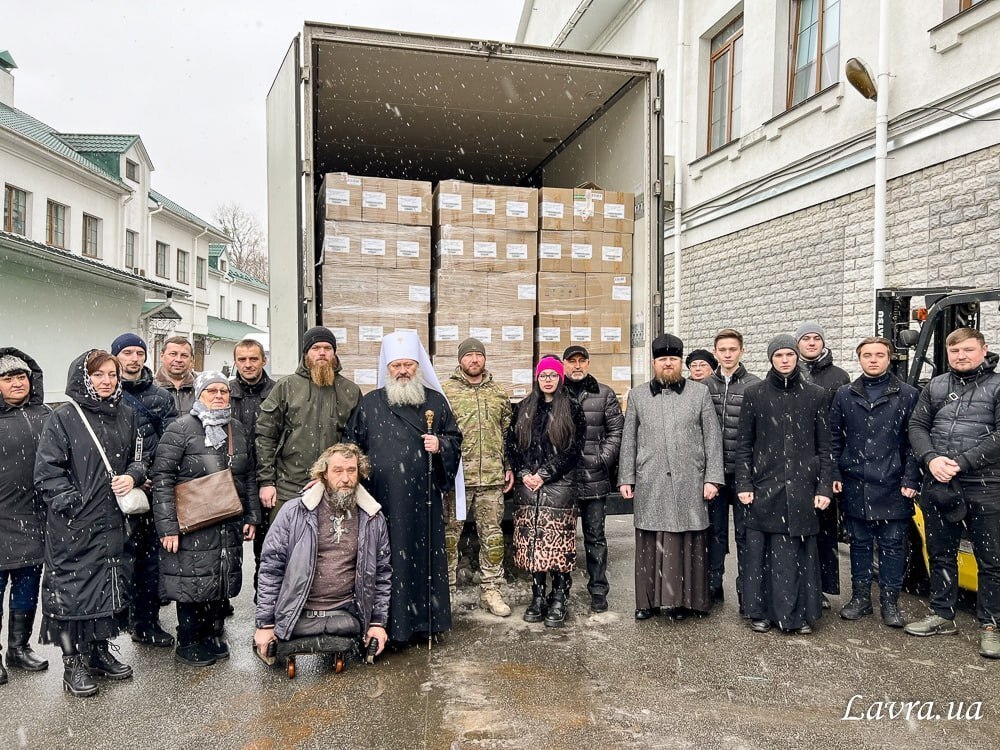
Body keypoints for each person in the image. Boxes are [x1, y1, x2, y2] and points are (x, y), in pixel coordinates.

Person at [34, 349, 149, 697]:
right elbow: (47, 470)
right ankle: (73, 664)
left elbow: (141, 458)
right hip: (74, 525)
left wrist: (133, 475)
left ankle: (98, 651)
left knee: (107, 587)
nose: (106, 381)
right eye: (98, 375)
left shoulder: (126, 414)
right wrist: (72, 503)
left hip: (113, 522)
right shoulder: (64, 417)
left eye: (112, 375)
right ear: (84, 378)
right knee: (72, 594)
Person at [345, 331, 462, 644]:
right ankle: (386, 626)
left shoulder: (435, 402)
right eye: (396, 365)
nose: (402, 371)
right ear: (388, 368)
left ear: (418, 366)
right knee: (384, 563)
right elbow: (352, 447)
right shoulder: (369, 404)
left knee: (422, 561)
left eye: (408, 364)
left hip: (421, 501)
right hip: (380, 500)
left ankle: (425, 623)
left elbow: (455, 440)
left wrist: (440, 446)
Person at [150, 372, 259, 667]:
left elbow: (247, 475)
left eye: (224, 390)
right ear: (199, 394)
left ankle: (211, 633)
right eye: (212, 390)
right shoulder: (181, 429)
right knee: (191, 582)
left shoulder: (235, 428)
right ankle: (188, 640)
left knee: (218, 577)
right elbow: (162, 480)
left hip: (227, 519)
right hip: (191, 521)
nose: (220, 395)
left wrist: (251, 514)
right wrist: (167, 527)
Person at [906, 327, 1000, 659]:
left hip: (985, 486)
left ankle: (991, 625)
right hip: (940, 484)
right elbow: (917, 426)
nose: (961, 356)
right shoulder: (937, 385)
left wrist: (959, 463)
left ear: (984, 349)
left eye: (968, 350)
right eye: (954, 352)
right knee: (941, 552)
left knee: (992, 561)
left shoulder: (997, 385)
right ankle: (942, 614)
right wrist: (931, 459)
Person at [619, 335, 724, 621]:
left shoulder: (699, 394)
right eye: (663, 359)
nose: (668, 363)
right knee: (650, 542)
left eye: (674, 359)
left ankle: (683, 601)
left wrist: (712, 478)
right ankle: (648, 601)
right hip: (651, 478)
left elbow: (712, 439)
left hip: (689, 479)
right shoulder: (638, 395)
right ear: (654, 363)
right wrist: (626, 477)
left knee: (687, 541)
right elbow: (628, 440)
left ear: (681, 362)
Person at [254, 443, 391, 660]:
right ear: (323, 474)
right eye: (337, 470)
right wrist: (265, 624)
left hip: (346, 615)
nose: (345, 478)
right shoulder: (293, 512)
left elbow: (382, 575)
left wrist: (377, 623)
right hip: (297, 613)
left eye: (351, 470)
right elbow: (271, 569)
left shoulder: (372, 518)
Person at [735, 335, 832, 635]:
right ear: (771, 359)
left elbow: (824, 447)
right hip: (765, 486)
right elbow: (743, 445)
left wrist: (824, 486)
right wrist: (743, 482)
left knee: (798, 555)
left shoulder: (815, 394)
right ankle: (761, 611)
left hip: (802, 487)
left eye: (790, 354)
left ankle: (797, 615)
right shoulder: (755, 394)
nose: (785, 360)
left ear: (797, 357)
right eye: (779, 355)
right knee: (762, 554)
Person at [830, 337, 920, 628]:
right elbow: (833, 437)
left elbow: (914, 441)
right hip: (856, 481)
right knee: (859, 543)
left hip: (893, 483)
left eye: (879, 355)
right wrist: (834, 473)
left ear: (889, 358)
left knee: (893, 545)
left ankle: (890, 603)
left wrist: (910, 477)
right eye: (867, 355)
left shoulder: (907, 394)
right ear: (859, 359)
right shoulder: (845, 394)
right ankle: (860, 599)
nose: (873, 359)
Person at [506, 356, 585, 627]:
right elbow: (512, 444)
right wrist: (525, 473)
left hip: (558, 488)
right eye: (543, 375)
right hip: (529, 489)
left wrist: (545, 474)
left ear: (560, 378)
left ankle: (559, 596)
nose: (548, 380)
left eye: (553, 375)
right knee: (535, 546)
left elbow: (574, 449)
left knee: (559, 547)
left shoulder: (572, 408)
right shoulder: (525, 408)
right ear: (537, 379)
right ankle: (537, 595)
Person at [112, 332, 178, 647]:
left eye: (139, 353)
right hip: (114, 490)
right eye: (127, 353)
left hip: (151, 490)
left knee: (150, 561)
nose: (134, 359)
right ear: (116, 357)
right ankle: (111, 625)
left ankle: (146, 622)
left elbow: (171, 442)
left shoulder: (161, 397)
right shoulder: (105, 394)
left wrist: (152, 474)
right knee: (117, 560)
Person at [441, 338, 514, 617]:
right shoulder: (446, 392)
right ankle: (445, 591)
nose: (474, 360)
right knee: (449, 538)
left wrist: (508, 466)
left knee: (493, 538)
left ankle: (491, 590)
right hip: (458, 480)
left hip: (491, 479)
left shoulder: (498, 393)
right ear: (460, 360)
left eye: (478, 355)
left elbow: (507, 435)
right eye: (469, 355)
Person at [256, 327, 360, 522]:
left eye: (327, 348)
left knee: (332, 548)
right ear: (306, 353)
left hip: (335, 487)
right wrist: (266, 481)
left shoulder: (350, 391)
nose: (322, 353)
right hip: (289, 487)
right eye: (315, 348)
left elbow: (355, 443)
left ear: (334, 353)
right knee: (286, 547)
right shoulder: (286, 387)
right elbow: (265, 436)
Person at [0, 349, 51, 684]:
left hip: (35, 521)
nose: (17, 383)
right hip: (1, 519)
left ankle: (18, 648)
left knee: (27, 589)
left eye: (21, 376)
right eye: (7, 378)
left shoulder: (45, 414)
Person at [562, 345, 624, 613]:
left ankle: (598, 590)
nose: (577, 366)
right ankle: (560, 591)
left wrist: (601, 458)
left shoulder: (604, 394)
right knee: (561, 538)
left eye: (582, 361)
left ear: (588, 364)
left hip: (594, 478)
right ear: (564, 364)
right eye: (572, 361)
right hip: (562, 480)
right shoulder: (555, 392)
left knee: (595, 537)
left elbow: (617, 432)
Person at [705, 329, 760, 611]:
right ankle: (714, 586)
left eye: (732, 349)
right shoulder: (703, 386)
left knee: (746, 534)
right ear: (715, 353)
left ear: (742, 351)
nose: (727, 354)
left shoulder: (754, 386)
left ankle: (747, 591)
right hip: (714, 473)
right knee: (714, 533)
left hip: (744, 474)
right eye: (722, 350)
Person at [795, 321, 849, 608]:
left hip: (824, 457)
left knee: (824, 528)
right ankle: (801, 583)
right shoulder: (790, 373)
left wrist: (833, 467)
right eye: (806, 338)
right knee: (798, 526)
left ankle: (823, 588)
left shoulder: (838, 377)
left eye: (817, 338)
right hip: (795, 459)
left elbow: (841, 423)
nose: (812, 343)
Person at [228, 339, 275, 590]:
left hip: (266, 479)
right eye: (242, 359)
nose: (248, 365)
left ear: (263, 360)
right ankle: (220, 602)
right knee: (226, 545)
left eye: (253, 359)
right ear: (235, 362)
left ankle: (263, 598)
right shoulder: (224, 392)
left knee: (267, 546)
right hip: (230, 480)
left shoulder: (277, 392)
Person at [155, 336, 197, 414]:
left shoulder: (201, 387)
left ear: (191, 359)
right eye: (173, 354)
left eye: (184, 355)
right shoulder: (149, 387)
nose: (178, 359)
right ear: (162, 356)